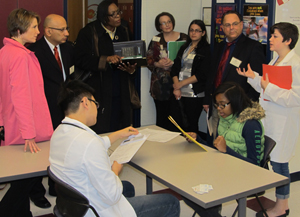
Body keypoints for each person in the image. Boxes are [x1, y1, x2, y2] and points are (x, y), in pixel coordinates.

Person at [49, 80, 180, 217]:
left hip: (75, 205)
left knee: (127, 187)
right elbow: (112, 195)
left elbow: (92, 145)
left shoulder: (59, 132)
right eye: (96, 104)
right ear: (85, 103)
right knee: (171, 202)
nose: (97, 110)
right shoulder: (89, 144)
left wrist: (118, 134)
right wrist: (115, 170)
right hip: (97, 210)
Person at [237, 22, 300, 217]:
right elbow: (265, 89)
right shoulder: (275, 60)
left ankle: (282, 206)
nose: (270, 39)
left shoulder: (295, 64)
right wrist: (253, 77)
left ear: (288, 40)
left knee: (280, 163)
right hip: (270, 118)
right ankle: (279, 203)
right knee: (272, 161)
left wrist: (268, 87)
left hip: (284, 121)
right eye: (271, 35)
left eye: (275, 36)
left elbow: (295, 97)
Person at [0, 8, 53, 217]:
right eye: (33, 27)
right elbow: (21, 95)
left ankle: (21, 213)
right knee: (26, 178)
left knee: (20, 177)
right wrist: (29, 133)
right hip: (26, 128)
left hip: (13, 123)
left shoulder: (5, 52)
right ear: (20, 29)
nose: (38, 31)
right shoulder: (20, 56)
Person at [184, 82, 265, 217]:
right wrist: (198, 140)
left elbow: (255, 166)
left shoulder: (251, 124)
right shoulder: (226, 117)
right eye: (217, 104)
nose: (219, 109)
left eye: (223, 104)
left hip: (244, 174)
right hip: (224, 167)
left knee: (197, 189)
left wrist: (226, 150)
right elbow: (216, 148)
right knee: (187, 188)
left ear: (235, 102)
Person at [28, 14, 74, 202]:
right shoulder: (34, 52)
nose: (67, 33)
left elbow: (71, 75)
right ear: (48, 31)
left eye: (66, 28)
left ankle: (56, 186)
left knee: (61, 150)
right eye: (62, 29)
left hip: (66, 107)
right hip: (44, 109)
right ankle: (36, 192)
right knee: (41, 151)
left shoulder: (69, 48)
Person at [74, 0, 136, 134]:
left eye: (118, 12)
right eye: (113, 14)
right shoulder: (89, 32)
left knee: (121, 121)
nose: (118, 16)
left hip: (121, 83)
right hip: (99, 86)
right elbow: (80, 59)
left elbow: (130, 54)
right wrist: (105, 59)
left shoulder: (124, 29)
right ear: (103, 17)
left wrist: (131, 69)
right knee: (102, 124)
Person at [203, 10, 266, 141]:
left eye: (235, 24)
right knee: (215, 140)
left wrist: (245, 104)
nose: (231, 28)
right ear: (222, 28)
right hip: (216, 105)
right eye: (227, 25)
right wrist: (207, 99)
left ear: (241, 25)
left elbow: (258, 80)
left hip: (238, 107)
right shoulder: (219, 46)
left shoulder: (253, 47)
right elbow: (212, 74)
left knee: (232, 144)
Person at [146, 12, 187, 130]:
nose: (167, 25)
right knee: (162, 119)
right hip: (160, 87)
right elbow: (148, 60)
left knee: (178, 117)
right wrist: (158, 63)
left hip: (180, 85)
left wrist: (175, 63)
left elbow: (191, 59)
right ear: (159, 26)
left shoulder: (184, 38)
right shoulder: (156, 40)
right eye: (163, 23)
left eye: (169, 21)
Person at [169, 19, 211, 132]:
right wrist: (176, 86)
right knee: (178, 123)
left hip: (194, 93)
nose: (193, 33)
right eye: (191, 30)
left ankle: (192, 147)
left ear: (203, 33)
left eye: (197, 31)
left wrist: (179, 85)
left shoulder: (206, 50)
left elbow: (202, 74)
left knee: (191, 124)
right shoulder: (184, 48)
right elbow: (175, 68)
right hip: (179, 91)